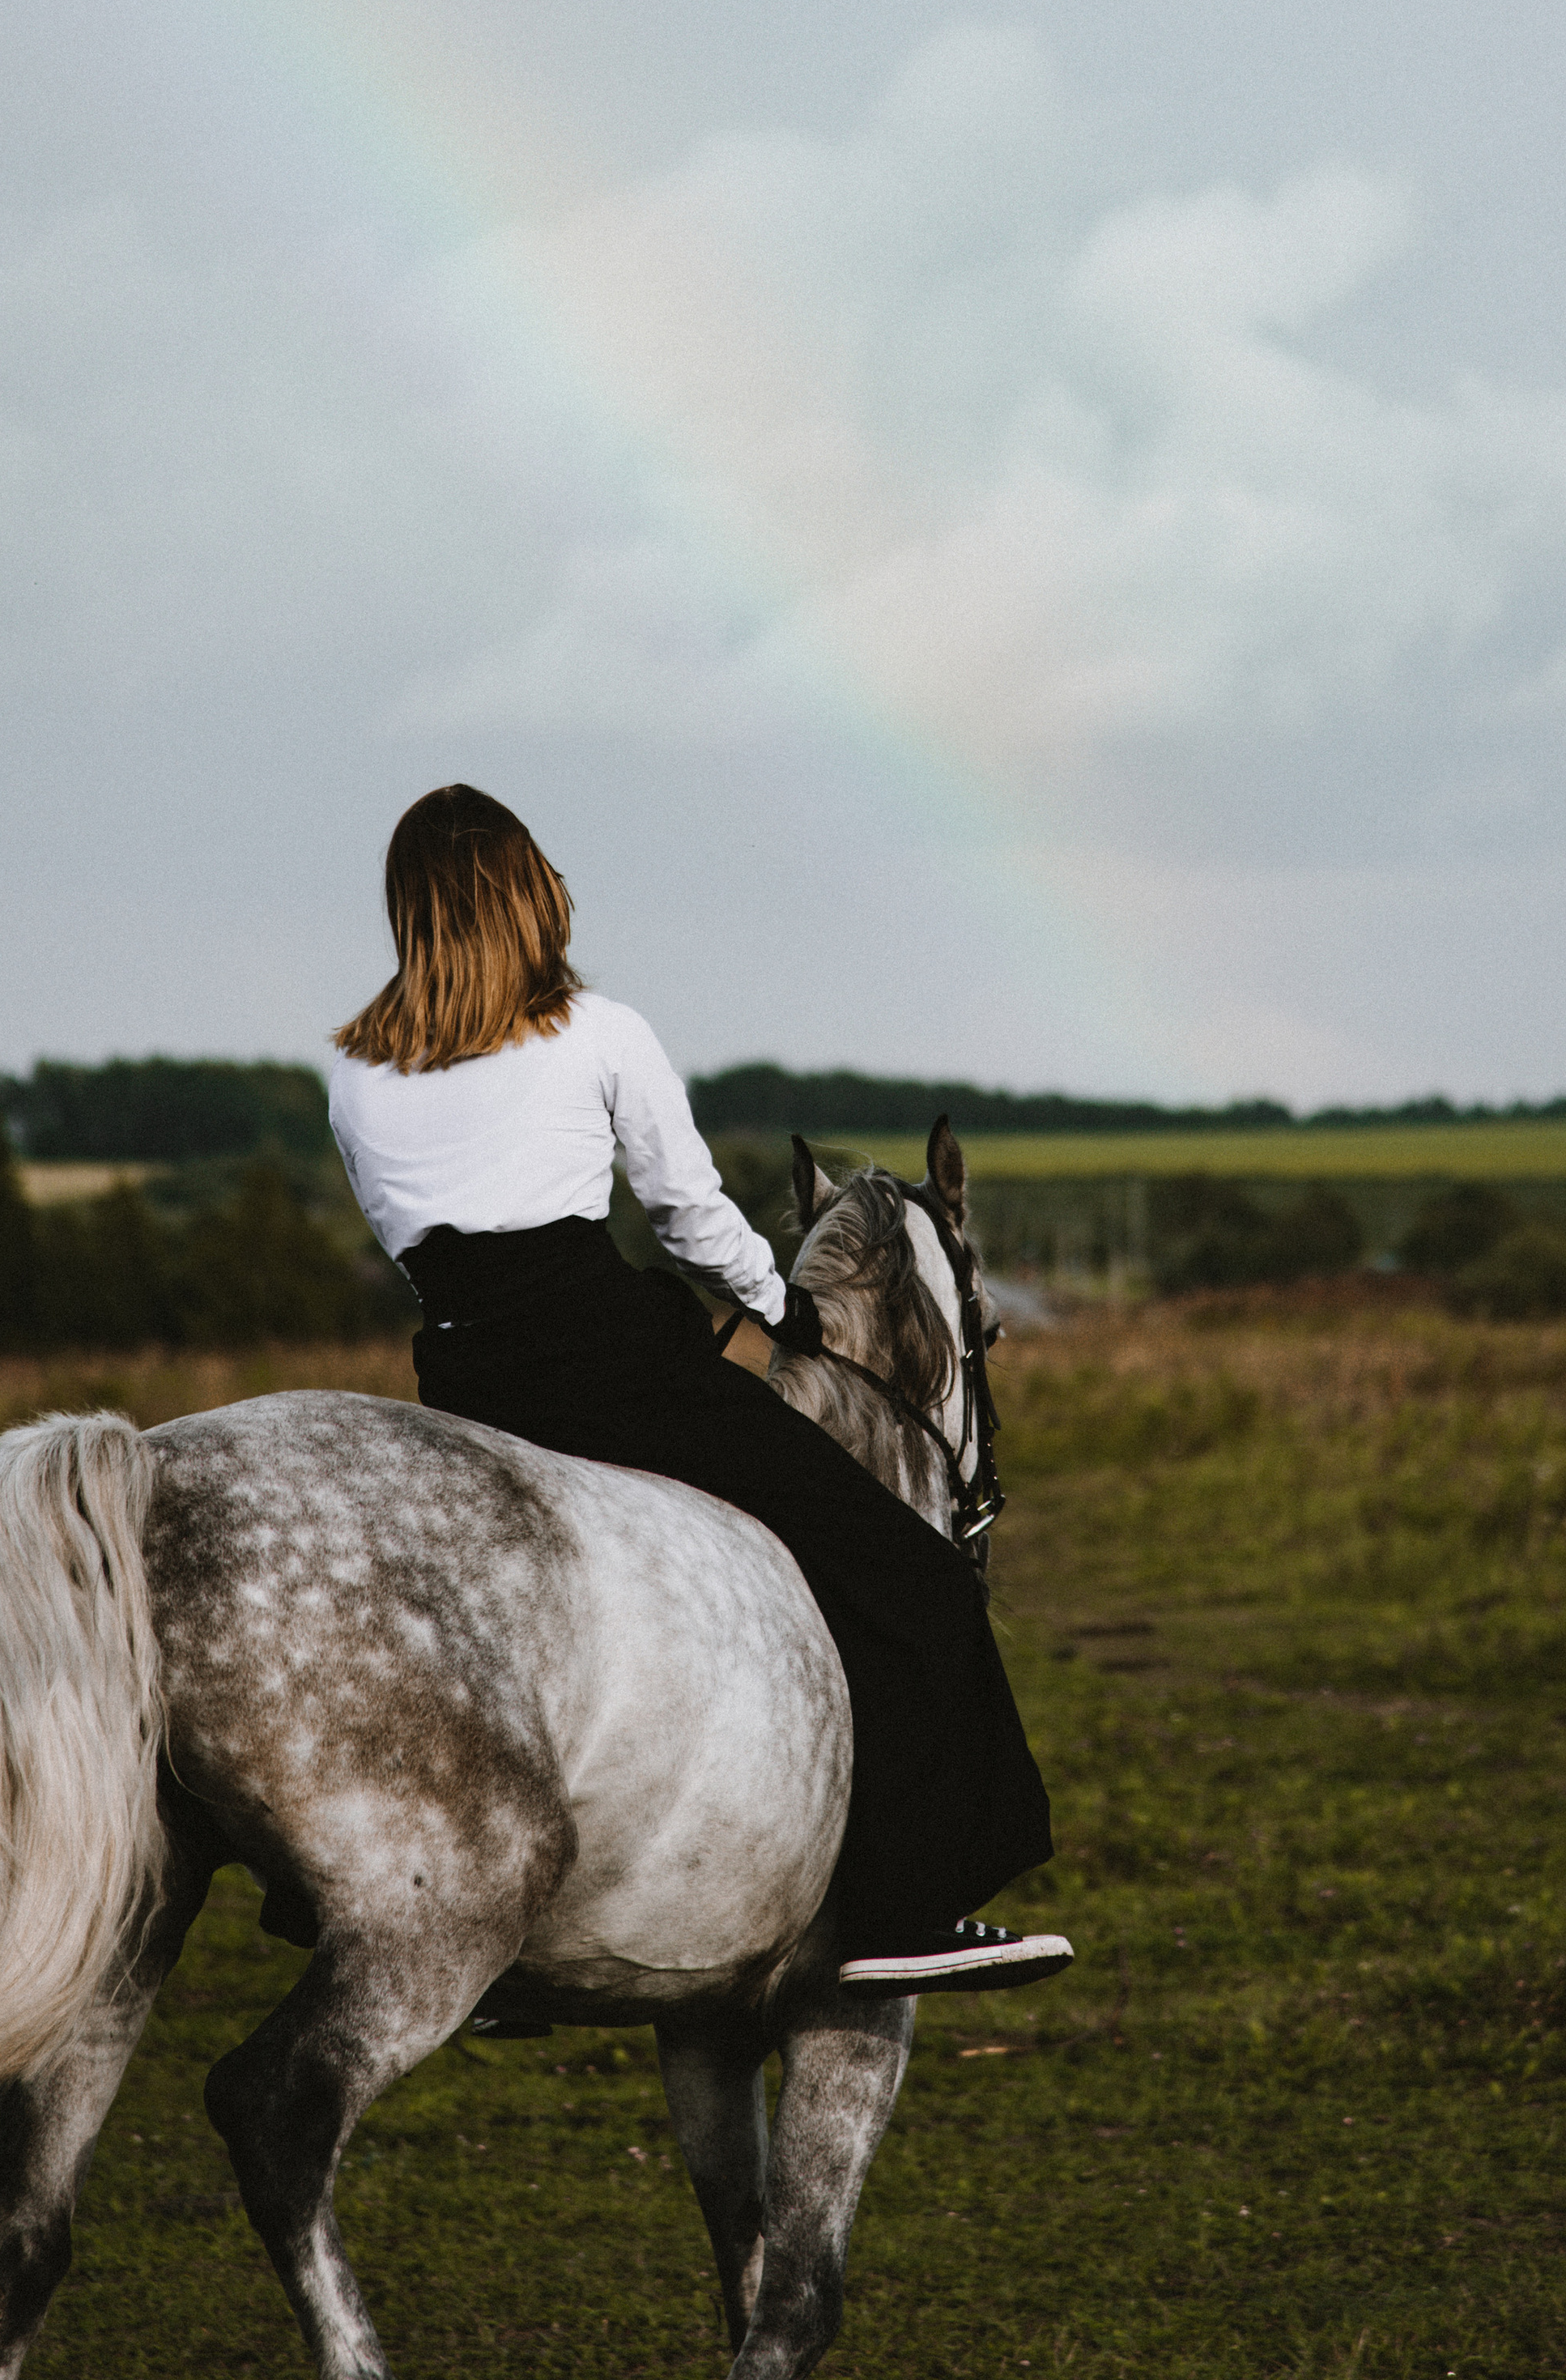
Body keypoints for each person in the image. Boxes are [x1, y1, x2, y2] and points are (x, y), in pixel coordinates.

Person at [327, 782, 1071, 1995]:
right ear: (528, 897)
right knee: (908, 1575)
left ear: (409, 913)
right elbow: (684, 1211)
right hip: (611, 1377)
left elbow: (418, 1238)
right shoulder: (600, 1032)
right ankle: (906, 1906)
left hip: (460, 1390)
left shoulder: (353, 1074)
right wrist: (778, 1301)